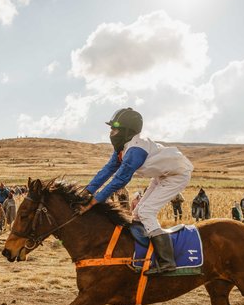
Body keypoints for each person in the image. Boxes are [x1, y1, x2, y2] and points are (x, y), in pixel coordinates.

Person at [79, 108, 193, 276]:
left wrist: (96, 200)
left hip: (177, 175)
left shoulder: (135, 150)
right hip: (162, 175)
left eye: (114, 129)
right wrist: (87, 191)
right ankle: (143, 252)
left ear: (126, 131)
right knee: (138, 213)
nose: (111, 133)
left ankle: (167, 261)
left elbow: (121, 179)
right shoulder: (123, 149)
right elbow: (107, 170)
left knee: (146, 212)